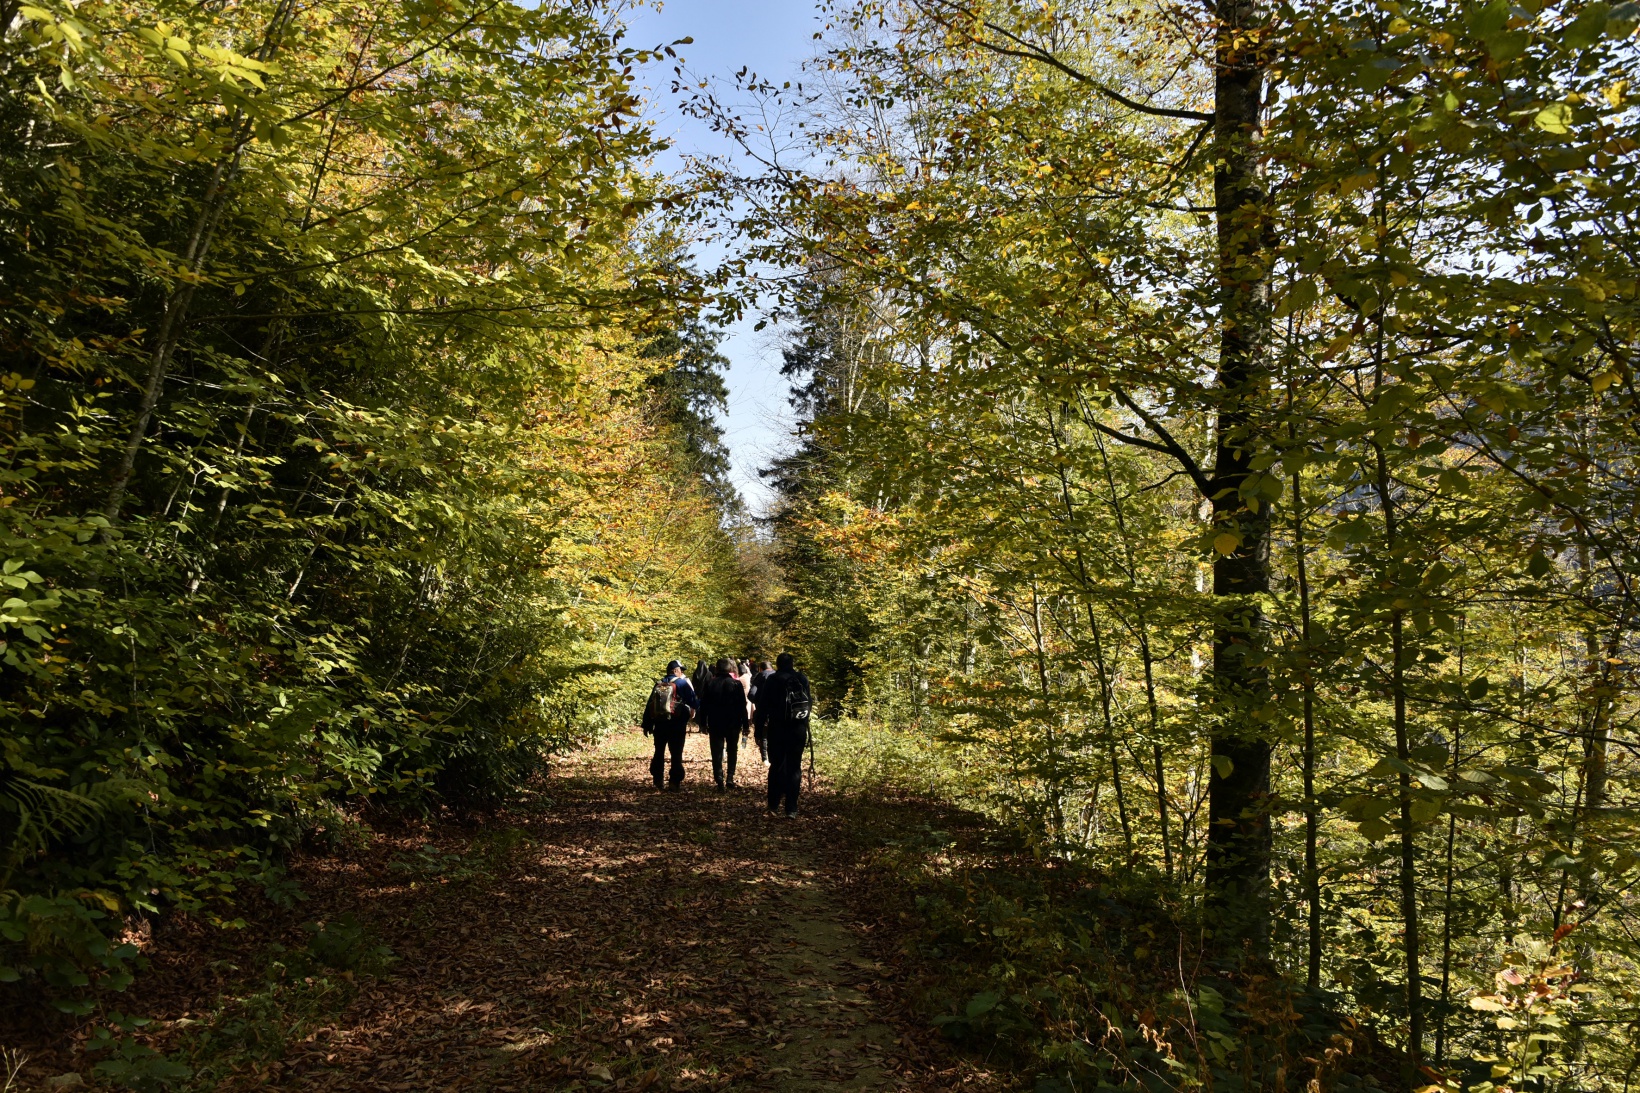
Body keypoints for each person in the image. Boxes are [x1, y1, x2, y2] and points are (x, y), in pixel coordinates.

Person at [755, 653, 812, 818]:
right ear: (792, 664)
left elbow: (763, 706)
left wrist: (759, 731)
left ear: (778, 665)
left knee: (777, 765)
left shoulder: (773, 680)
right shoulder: (802, 678)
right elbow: (808, 704)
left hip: (777, 728)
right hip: (798, 729)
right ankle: (791, 808)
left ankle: (773, 805)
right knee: (795, 767)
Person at [642, 659, 698, 790]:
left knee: (659, 752)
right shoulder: (682, 684)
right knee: (676, 753)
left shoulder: (658, 684)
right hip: (677, 725)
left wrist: (647, 724)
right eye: (680, 670)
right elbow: (695, 703)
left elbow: (650, 704)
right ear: (675, 671)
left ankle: (658, 780)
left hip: (660, 724)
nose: (681, 673)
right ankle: (674, 782)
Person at [700, 658, 751, 790]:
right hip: (733, 723)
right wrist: (745, 725)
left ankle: (719, 779)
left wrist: (703, 723)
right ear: (729, 669)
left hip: (715, 722)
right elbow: (742, 706)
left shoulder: (710, 683)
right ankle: (730, 777)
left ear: (716, 669)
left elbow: (704, 704)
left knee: (716, 751)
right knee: (732, 750)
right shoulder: (736, 684)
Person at [746, 658, 774, 764]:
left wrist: (758, 702)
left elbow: (752, 694)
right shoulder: (779, 676)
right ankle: (774, 758)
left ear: (761, 669)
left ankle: (765, 758)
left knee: (764, 735)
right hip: (779, 713)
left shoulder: (761, 676)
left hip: (763, 711)